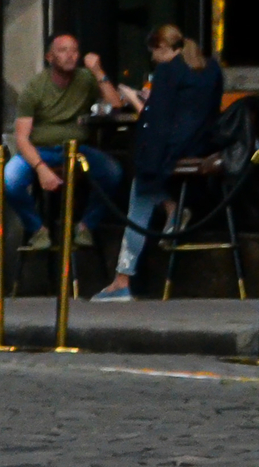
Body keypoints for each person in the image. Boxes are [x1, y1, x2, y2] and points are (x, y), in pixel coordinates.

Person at [95, 25, 227, 300]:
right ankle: (171, 208)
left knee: (139, 195)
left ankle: (122, 279)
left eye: (154, 53)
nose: (153, 60)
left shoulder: (168, 71)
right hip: (202, 148)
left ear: (163, 48)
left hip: (172, 150)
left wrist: (134, 99)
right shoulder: (211, 68)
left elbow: (158, 121)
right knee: (146, 188)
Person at [3, 32, 131, 250]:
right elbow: (22, 138)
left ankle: (85, 226)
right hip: (40, 150)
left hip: (76, 150)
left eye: (74, 50)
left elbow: (116, 105)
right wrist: (41, 168)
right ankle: (37, 229)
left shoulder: (85, 79)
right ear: (49, 57)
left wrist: (98, 71)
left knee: (113, 173)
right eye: (63, 51)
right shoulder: (35, 88)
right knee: (11, 179)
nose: (71, 56)